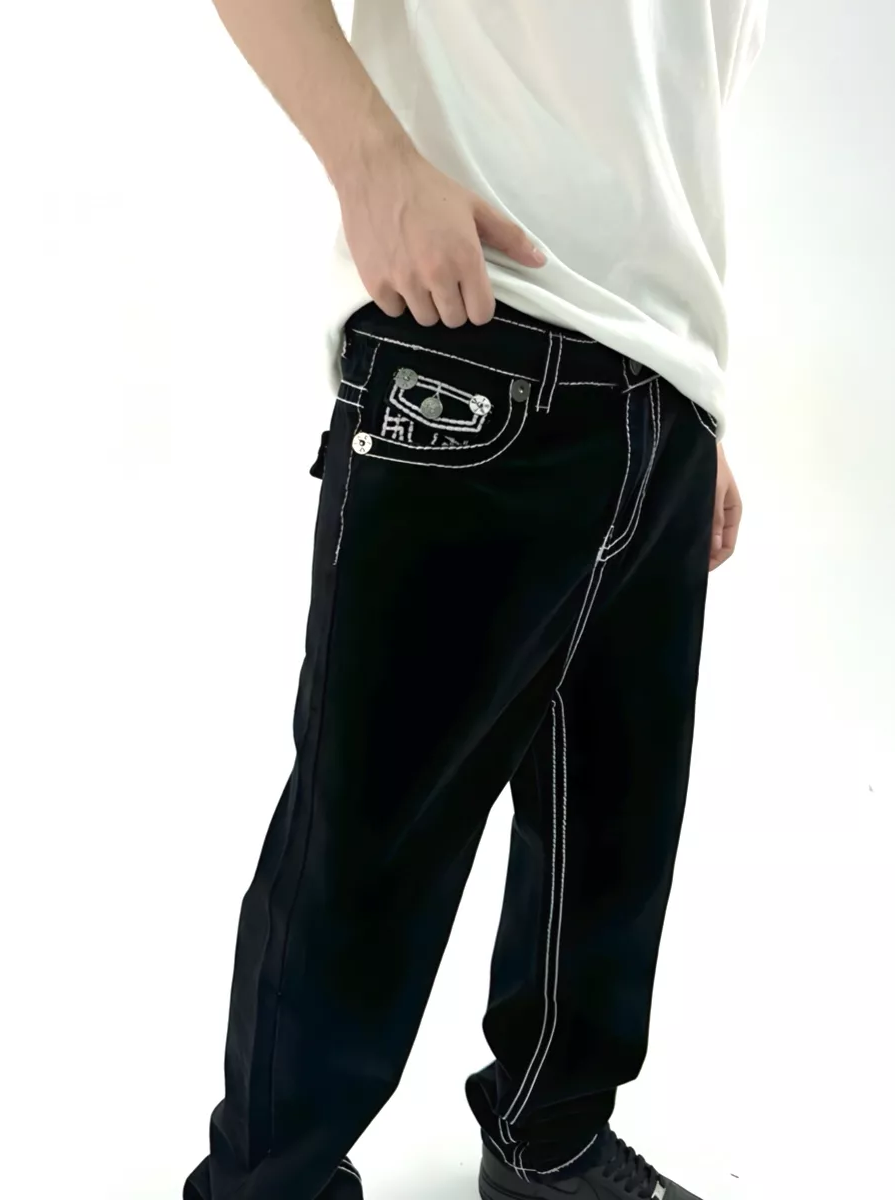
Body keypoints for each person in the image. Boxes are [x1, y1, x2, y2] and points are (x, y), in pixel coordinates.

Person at [184, 1, 766, 1197]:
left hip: (660, 388)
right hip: (477, 332)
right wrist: (373, 166)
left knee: (612, 834)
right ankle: (265, 1186)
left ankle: (550, 1140)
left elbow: (661, 126)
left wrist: (690, 392)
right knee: (369, 838)